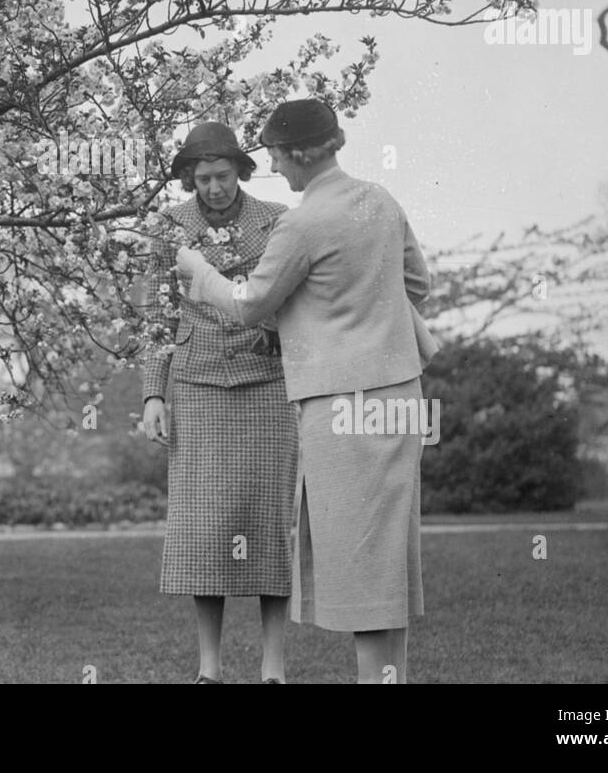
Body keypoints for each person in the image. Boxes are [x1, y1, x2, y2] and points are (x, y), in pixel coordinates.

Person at [176, 100, 437, 684]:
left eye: (274, 154)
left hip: (339, 402)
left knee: (357, 553)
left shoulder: (301, 222)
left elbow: (248, 307)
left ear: (298, 154)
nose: (273, 166)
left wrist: (198, 270)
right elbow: (417, 283)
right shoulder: (380, 200)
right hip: (401, 395)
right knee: (387, 551)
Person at [139, 121, 299, 684]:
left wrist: (277, 331)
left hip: (267, 385)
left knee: (270, 522)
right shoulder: (169, 227)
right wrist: (155, 393)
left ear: (240, 170)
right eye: (202, 178)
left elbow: (294, 296)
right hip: (199, 386)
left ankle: (273, 667)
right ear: (189, 178)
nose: (213, 188)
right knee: (204, 529)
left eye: (222, 176)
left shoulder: (277, 220)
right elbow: (157, 318)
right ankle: (209, 667)